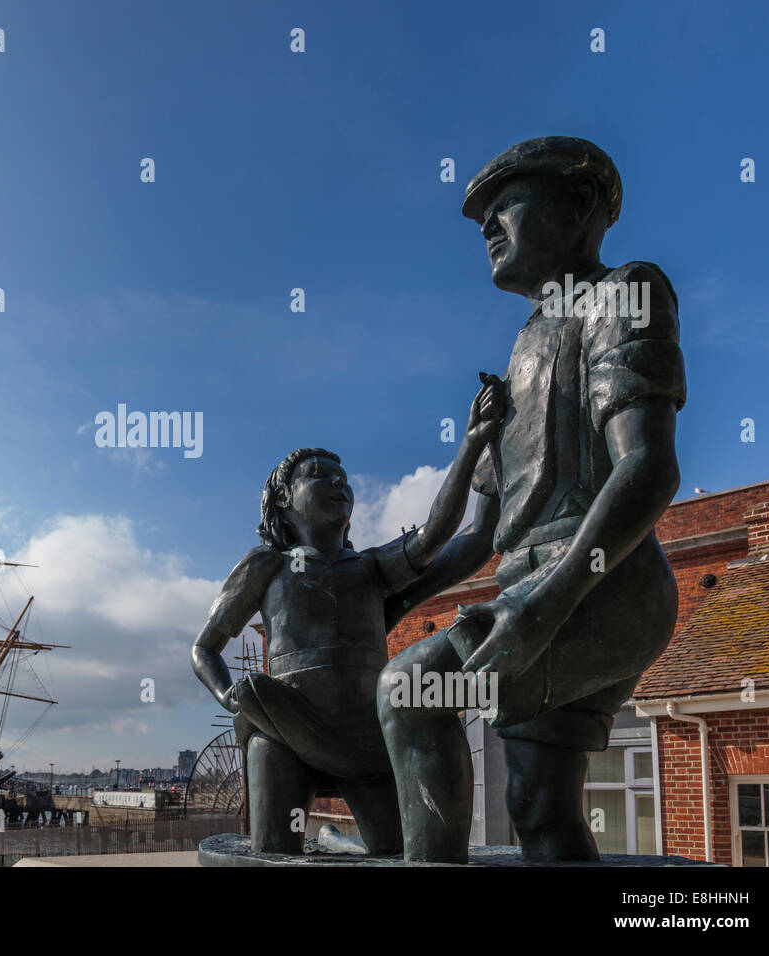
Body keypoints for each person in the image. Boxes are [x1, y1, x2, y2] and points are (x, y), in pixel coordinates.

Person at [377, 137, 687, 863]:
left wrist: (543, 608)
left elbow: (646, 468)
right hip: (534, 584)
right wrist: (392, 599)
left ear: (578, 204)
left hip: (599, 585)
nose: (485, 226)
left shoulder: (624, 294)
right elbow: (483, 534)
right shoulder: (520, 352)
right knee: (538, 807)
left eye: (503, 204)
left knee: (407, 693)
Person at [192, 377, 503, 854]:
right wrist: (228, 694)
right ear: (283, 500)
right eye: (319, 474)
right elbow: (204, 647)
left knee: (395, 853)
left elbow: (444, 534)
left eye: (343, 477)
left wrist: (477, 448)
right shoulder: (266, 565)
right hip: (284, 727)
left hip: (368, 737)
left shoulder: (373, 568)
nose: (338, 482)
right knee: (274, 853)